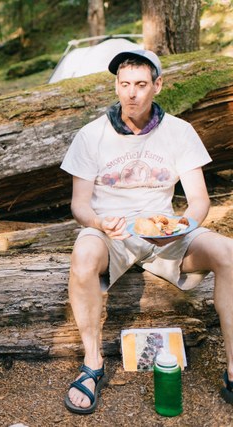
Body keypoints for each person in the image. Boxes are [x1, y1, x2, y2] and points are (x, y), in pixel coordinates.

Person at [60, 49, 233, 414]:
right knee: (82, 257)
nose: (132, 94)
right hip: (113, 233)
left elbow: (199, 201)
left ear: (158, 85)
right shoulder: (91, 135)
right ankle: (92, 364)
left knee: (228, 253)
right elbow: (80, 206)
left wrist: (183, 225)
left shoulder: (179, 132)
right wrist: (98, 223)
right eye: (124, 85)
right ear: (117, 87)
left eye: (141, 84)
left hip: (166, 233)